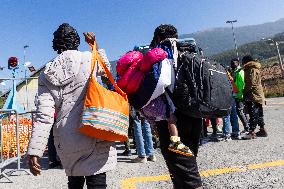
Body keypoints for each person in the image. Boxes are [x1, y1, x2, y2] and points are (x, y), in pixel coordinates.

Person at [27, 23, 116, 189]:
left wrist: (35, 151)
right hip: (94, 127)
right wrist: (95, 45)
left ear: (56, 44)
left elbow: (44, 117)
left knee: (74, 180)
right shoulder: (90, 58)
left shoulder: (47, 74)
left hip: (67, 137)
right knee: (97, 180)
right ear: (76, 41)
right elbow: (107, 70)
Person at [151, 24, 203, 189]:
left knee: (188, 176)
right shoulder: (191, 52)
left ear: (159, 38)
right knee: (184, 169)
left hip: (173, 122)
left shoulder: (162, 54)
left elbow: (157, 87)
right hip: (195, 117)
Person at [241, 55, 268, 139]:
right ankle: (262, 130)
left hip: (253, 95)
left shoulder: (250, 69)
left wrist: (244, 92)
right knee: (259, 113)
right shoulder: (256, 68)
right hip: (258, 94)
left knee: (253, 113)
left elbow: (250, 83)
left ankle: (251, 132)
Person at [230, 58, 250, 132]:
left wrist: (239, 94)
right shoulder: (235, 71)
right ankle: (248, 126)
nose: (232, 65)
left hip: (240, 95)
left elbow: (241, 84)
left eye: (233, 63)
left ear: (238, 63)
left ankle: (247, 127)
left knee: (240, 112)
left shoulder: (239, 71)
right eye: (232, 63)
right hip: (240, 94)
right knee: (244, 111)